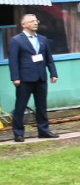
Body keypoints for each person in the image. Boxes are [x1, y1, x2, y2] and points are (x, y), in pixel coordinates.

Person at [7, 13, 59, 142]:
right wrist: (15, 77)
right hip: (24, 79)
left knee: (41, 106)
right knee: (20, 106)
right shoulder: (16, 40)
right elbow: (13, 61)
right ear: (23, 24)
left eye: (36, 21)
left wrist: (53, 73)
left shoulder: (42, 39)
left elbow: (49, 58)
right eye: (31, 21)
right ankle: (18, 133)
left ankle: (44, 130)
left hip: (41, 77)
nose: (35, 23)